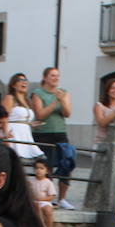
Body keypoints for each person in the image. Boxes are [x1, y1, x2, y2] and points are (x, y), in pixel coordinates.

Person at [32, 67, 75, 208]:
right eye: (52, 76)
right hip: (43, 133)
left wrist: (62, 100)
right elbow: (40, 115)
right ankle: (46, 198)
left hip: (60, 132)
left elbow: (68, 113)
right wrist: (55, 101)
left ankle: (62, 198)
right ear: (45, 77)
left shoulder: (64, 92)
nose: (56, 78)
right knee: (46, 165)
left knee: (67, 162)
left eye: (58, 76)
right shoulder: (38, 93)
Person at [2, 72, 42, 159]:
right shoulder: (10, 98)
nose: (24, 82)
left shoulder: (27, 101)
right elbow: (3, 117)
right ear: (13, 85)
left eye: (25, 80)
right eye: (20, 80)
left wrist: (31, 124)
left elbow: (23, 119)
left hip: (25, 135)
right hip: (13, 134)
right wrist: (5, 136)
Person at [28, 158, 56, 227]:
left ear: (46, 171)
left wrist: (40, 199)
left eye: (41, 168)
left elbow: (51, 197)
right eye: (37, 168)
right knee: (37, 208)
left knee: (48, 211)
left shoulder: (48, 182)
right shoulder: (30, 181)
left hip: (45, 202)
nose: (39, 170)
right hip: (34, 202)